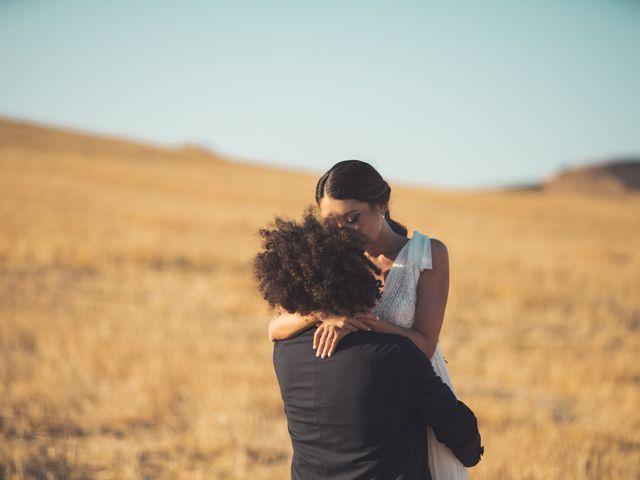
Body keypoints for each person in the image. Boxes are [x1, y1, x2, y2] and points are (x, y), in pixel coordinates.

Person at [268, 159, 468, 478]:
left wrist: (365, 321)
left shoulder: (427, 255)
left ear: (381, 205)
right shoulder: (323, 258)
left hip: (417, 393)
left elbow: (425, 345)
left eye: (352, 218)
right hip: (354, 412)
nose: (342, 232)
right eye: (330, 223)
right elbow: (276, 328)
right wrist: (322, 313)